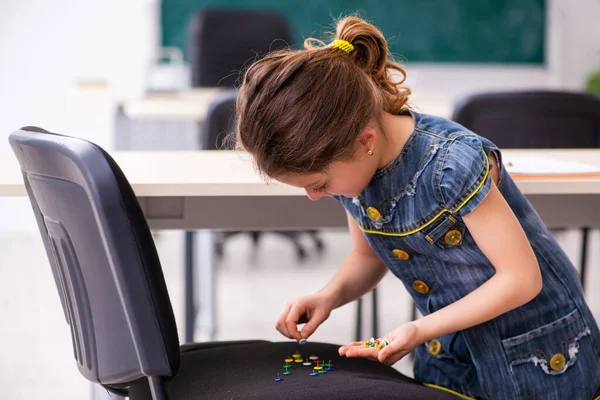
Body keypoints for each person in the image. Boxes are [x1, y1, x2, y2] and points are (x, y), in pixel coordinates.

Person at [233, 15, 600, 400]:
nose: (315, 196)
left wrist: (418, 330)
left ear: (365, 141)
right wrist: (330, 295)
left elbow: (522, 279)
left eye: (318, 184)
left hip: (541, 359)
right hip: (453, 356)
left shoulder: (453, 164)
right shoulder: (353, 166)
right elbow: (366, 256)